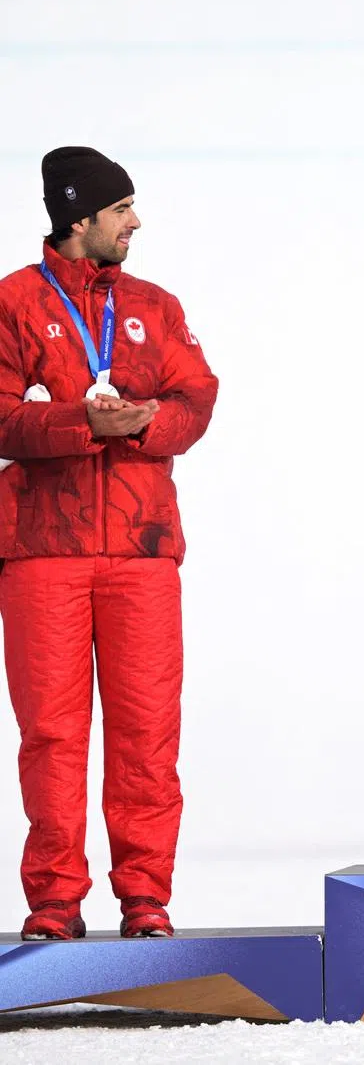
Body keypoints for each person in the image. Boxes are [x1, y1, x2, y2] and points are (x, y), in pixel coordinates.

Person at [0, 147, 218, 939]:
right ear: (78, 218)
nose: (135, 221)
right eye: (120, 208)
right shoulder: (14, 303)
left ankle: (145, 902)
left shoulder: (154, 307)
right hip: (40, 554)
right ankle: (55, 905)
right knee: (51, 736)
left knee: (147, 732)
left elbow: (197, 397)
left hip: (142, 551)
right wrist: (76, 423)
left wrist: (150, 423)